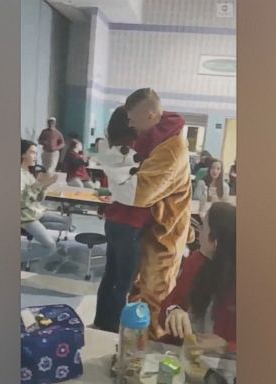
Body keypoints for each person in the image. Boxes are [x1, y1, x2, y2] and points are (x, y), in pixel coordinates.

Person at [105, 89, 195, 340]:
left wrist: (112, 170)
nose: (130, 124)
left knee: (155, 295)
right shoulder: (155, 136)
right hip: (150, 227)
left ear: (151, 114)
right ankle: (133, 340)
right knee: (136, 291)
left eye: (133, 118)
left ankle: (150, 351)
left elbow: (139, 193)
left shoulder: (171, 148)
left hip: (165, 234)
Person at [93, 106, 152, 333]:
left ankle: (101, 321)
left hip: (114, 221)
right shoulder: (137, 149)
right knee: (124, 283)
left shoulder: (113, 149)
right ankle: (112, 330)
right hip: (131, 224)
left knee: (110, 276)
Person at [158, 202, 236, 351]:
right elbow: (165, 311)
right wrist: (174, 311)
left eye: (203, 227)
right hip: (183, 353)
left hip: (226, 365)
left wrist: (226, 345)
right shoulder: (196, 262)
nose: (198, 231)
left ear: (215, 242)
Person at [20, 139, 71, 259]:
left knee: (67, 222)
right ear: (22, 154)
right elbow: (21, 202)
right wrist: (39, 185)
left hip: (35, 211)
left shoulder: (27, 173)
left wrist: (44, 186)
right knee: (50, 246)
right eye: (32, 152)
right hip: (25, 217)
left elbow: (37, 199)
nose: (35, 156)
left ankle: (38, 230)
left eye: (36, 153)